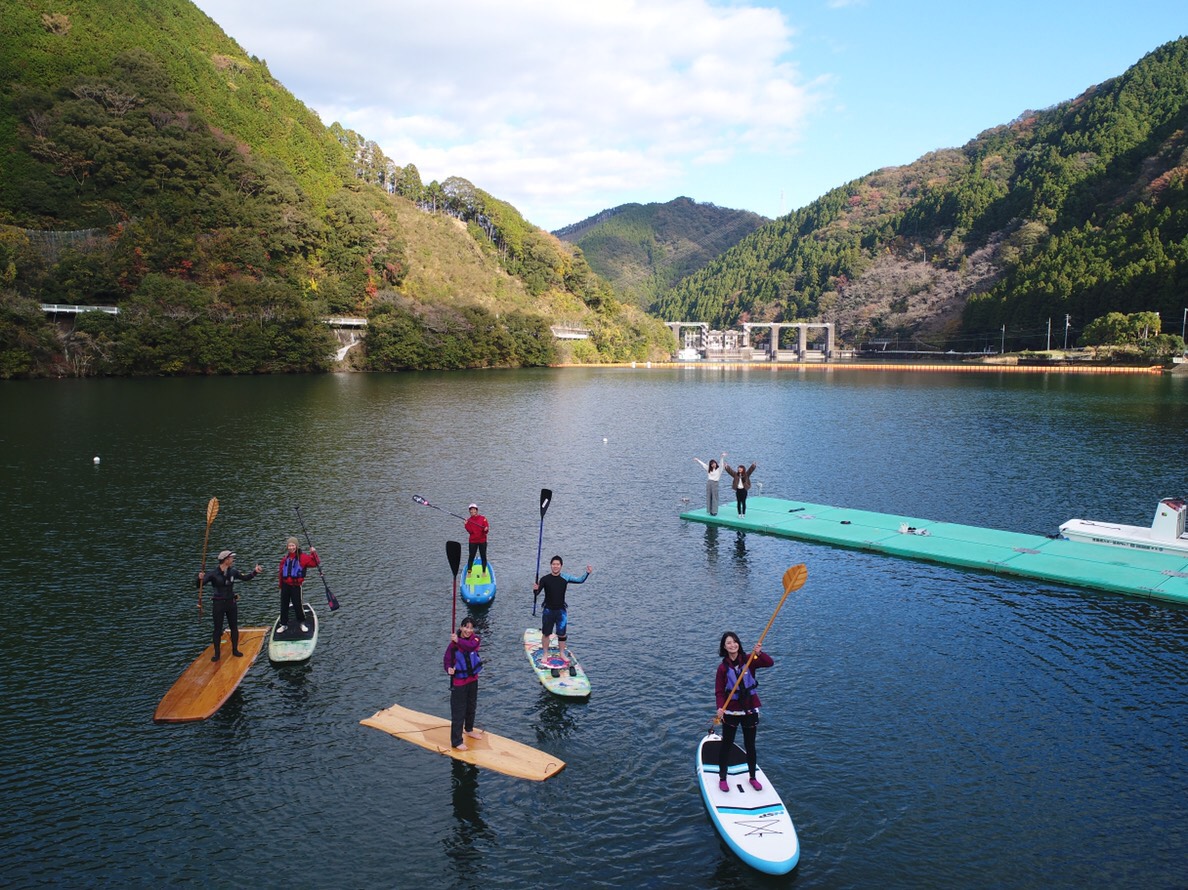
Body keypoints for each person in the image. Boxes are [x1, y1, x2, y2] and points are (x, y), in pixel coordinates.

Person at [715, 631, 773, 792]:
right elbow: (719, 691)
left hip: (749, 710)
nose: (732, 645)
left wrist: (760, 653)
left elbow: (769, 663)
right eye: (729, 643)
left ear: (738, 644)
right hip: (731, 712)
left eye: (735, 642)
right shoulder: (722, 668)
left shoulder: (749, 660)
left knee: (750, 745)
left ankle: (753, 777)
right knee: (726, 745)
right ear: (724, 647)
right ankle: (722, 778)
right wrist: (720, 707)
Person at [197, 550, 263, 661]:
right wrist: (199, 578)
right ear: (225, 560)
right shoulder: (213, 574)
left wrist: (255, 572)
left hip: (231, 603)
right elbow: (199, 585)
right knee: (217, 629)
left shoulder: (233, 572)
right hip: (218, 604)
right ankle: (217, 654)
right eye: (231, 558)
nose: (233, 560)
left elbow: (245, 578)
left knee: (234, 627)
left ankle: (235, 650)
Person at [533, 555, 592, 659]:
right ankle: (545, 654)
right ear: (551, 566)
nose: (555, 566)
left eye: (558, 564)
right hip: (548, 610)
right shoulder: (544, 579)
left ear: (561, 566)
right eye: (553, 564)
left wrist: (587, 573)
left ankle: (562, 653)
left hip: (561, 611)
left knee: (562, 634)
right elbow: (536, 594)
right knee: (546, 634)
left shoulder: (565, 577)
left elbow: (580, 580)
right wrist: (535, 589)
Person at [444, 617, 484, 750]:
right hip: (459, 682)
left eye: (471, 628)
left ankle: (469, 729)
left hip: (473, 680)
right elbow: (447, 661)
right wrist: (449, 669)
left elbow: (470, 646)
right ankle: (456, 741)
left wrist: (458, 640)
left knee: (471, 706)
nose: (469, 630)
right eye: (466, 627)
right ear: (461, 627)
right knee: (458, 711)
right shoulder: (452, 645)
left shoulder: (475, 640)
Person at [277, 537, 319, 635]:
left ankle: (301, 623)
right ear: (287, 547)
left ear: (296, 546)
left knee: (297, 605)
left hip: (296, 586)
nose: (291, 547)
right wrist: (280, 585)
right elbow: (280, 573)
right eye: (289, 545)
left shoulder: (303, 557)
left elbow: (315, 563)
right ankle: (283, 624)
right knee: (284, 605)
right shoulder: (285, 559)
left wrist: (314, 553)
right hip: (285, 586)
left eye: (293, 545)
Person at [693, 452, 728, 516]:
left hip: (715, 483)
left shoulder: (719, 469)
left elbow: (721, 464)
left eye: (714, 463)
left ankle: (714, 511)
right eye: (711, 464)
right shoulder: (709, 469)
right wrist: (698, 460)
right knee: (709, 496)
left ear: (715, 463)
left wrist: (722, 457)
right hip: (709, 483)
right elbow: (703, 465)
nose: (713, 465)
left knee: (714, 497)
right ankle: (709, 510)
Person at [463, 504, 490, 576]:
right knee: (471, 556)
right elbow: (470, 532)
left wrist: (485, 529)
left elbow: (486, 531)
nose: (472, 511)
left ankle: (484, 572)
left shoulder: (483, 518)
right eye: (470, 510)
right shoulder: (469, 521)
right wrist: (466, 525)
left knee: (483, 556)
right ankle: (469, 572)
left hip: (482, 541)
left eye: (473, 509)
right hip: (473, 541)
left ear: (476, 510)